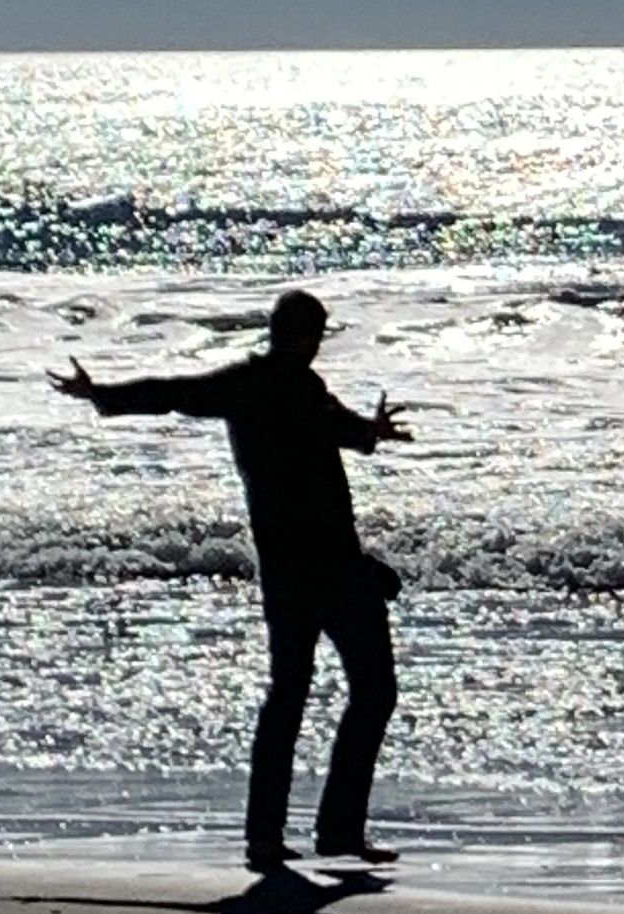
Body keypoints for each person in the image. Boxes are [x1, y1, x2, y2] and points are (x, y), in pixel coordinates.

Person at [49, 288, 411, 875]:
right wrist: (367, 433)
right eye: (315, 334)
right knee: (370, 690)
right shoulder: (292, 386)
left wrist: (102, 396)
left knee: (293, 696)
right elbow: (329, 424)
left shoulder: (250, 386)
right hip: (330, 566)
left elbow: (172, 394)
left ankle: (270, 838)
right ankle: (335, 831)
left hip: (289, 570)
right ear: (303, 335)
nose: (316, 345)